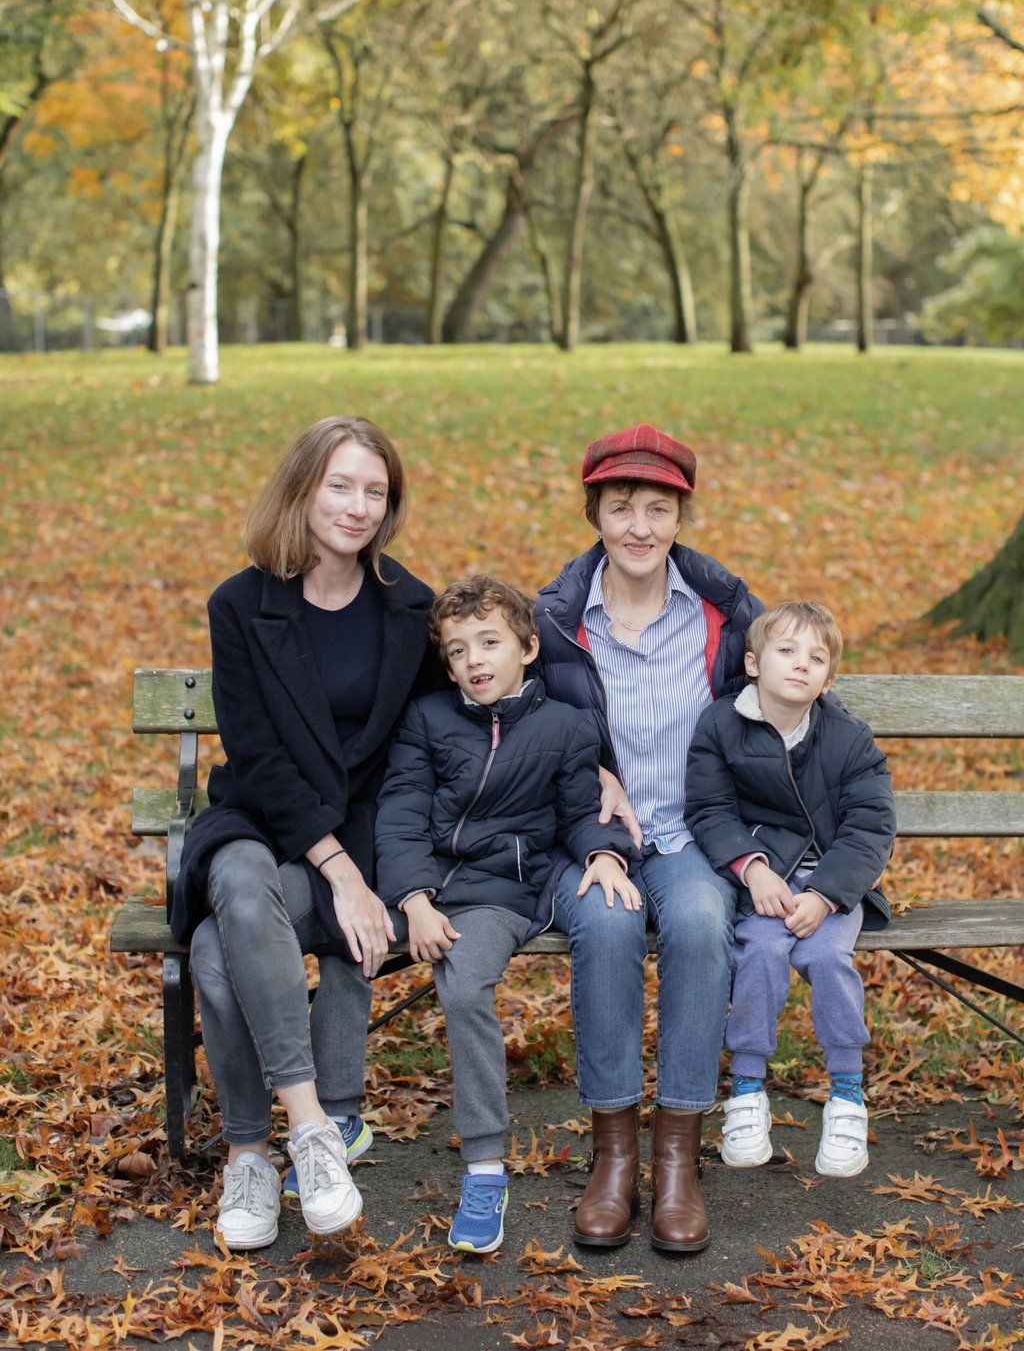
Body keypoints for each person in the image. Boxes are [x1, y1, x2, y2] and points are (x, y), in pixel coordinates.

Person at [171, 415, 442, 1250]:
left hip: (356, 839)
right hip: (259, 820)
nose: (358, 507)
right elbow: (256, 756)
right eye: (340, 485)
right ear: (302, 487)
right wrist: (340, 874)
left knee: (219, 948)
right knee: (240, 879)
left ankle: (250, 1153)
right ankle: (313, 1128)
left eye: (376, 491)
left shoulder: (410, 609)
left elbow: (456, 717)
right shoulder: (242, 604)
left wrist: (601, 761)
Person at [535, 424, 763, 1252]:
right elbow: (512, 727)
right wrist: (587, 770)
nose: (638, 525)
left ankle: (677, 1159)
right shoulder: (555, 622)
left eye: (657, 508)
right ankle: (613, 1159)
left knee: (703, 922)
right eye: (621, 505)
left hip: (694, 835)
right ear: (594, 510)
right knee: (605, 922)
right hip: (587, 837)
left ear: (680, 515)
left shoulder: (726, 616)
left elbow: (776, 715)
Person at [373, 576, 638, 1254]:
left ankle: (485, 1167)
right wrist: (413, 898)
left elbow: (581, 811)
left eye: (489, 642)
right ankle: (334, 1122)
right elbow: (401, 811)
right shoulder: (428, 718)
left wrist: (605, 855)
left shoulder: (564, 727)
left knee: (463, 984)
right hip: (425, 888)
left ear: (527, 646)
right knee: (348, 948)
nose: (474, 661)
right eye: (458, 650)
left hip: (499, 892)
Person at [684, 601, 896, 1178]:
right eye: (786, 651)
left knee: (828, 955)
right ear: (753, 662)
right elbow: (708, 808)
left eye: (816, 657)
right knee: (762, 952)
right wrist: (752, 869)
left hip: (830, 881)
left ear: (828, 679)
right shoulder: (721, 725)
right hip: (765, 881)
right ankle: (748, 1090)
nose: (800, 665)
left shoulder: (848, 737)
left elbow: (870, 826)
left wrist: (826, 894)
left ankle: (848, 1093)